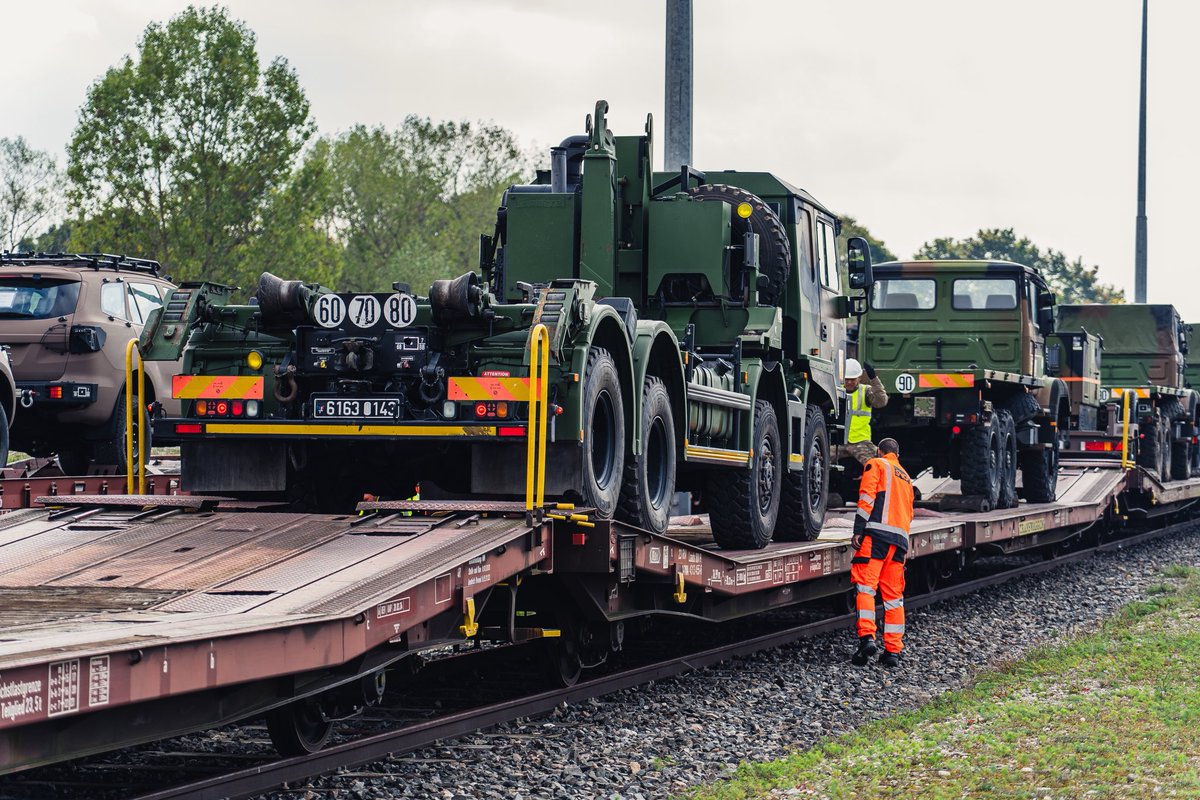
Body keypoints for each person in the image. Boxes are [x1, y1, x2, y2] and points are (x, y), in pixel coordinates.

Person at [850, 438, 914, 668]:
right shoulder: (906, 477)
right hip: (899, 544)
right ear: (897, 453)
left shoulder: (876, 464)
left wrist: (858, 530)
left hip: (876, 538)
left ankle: (867, 638)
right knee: (894, 598)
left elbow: (867, 498)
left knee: (866, 587)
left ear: (879, 450)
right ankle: (893, 652)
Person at [840, 358, 888, 465]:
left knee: (878, 465)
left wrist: (874, 378)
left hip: (860, 442)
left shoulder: (865, 391)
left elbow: (881, 401)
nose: (849, 382)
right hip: (838, 441)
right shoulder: (837, 390)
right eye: (846, 379)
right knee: (816, 459)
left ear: (859, 378)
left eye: (853, 379)